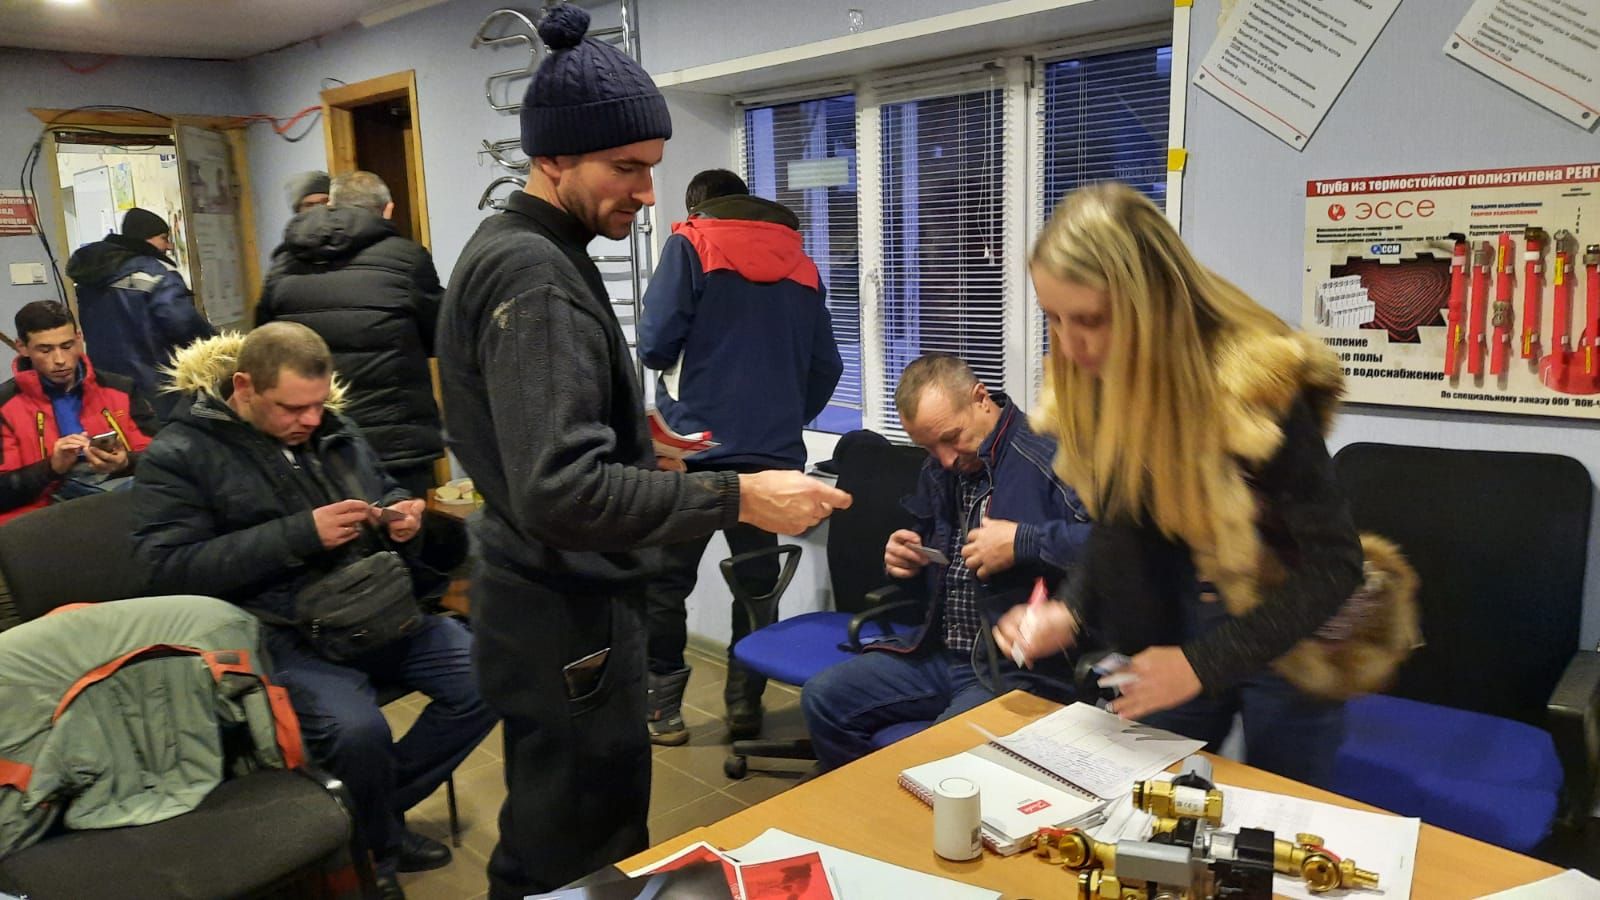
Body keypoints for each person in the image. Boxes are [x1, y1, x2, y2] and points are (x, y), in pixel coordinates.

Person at [435, 5, 851, 896]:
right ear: (554, 157)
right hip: (559, 607)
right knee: (572, 846)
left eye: (652, 168)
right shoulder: (535, 277)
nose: (648, 193)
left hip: (552, 596)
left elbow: (543, 432)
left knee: (577, 828)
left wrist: (638, 440)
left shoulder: (536, 251)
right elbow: (559, 492)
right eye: (625, 168)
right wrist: (738, 496)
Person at [999, 182, 1397, 789]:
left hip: (1285, 623)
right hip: (1174, 616)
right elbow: (1118, 522)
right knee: (1148, 803)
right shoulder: (1095, 380)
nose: (1070, 346)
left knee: (1278, 811)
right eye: (1053, 317)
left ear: (1149, 305)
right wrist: (1072, 609)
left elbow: (1335, 566)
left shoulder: (1253, 386)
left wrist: (1202, 663)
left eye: (1090, 320)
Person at [130, 323, 495, 900]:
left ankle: (362, 825)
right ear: (244, 387)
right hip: (281, 631)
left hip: (373, 608)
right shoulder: (179, 455)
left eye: (319, 404)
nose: (310, 419)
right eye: (292, 408)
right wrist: (301, 534)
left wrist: (401, 519)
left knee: (489, 677)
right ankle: (374, 845)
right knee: (357, 732)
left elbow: (381, 490)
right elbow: (165, 570)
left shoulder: (333, 427)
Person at [800, 354, 1090, 770]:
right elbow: (935, 568)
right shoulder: (939, 469)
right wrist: (906, 563)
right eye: (928, 447)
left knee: (935, 760)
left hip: (1013, 669)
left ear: (980, 399)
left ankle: (903, 799)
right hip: (938, 652)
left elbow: (1110, 549)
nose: (945, 458)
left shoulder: (1049, 456)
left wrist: (1022, 541)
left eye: (952, 438)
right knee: (823, 698)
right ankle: (869, 799)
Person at [637, 168, 843, 745]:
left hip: (693, 451)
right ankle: (745, 706)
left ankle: (664, 710)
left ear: (697, 207)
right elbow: (827, 365)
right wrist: (784, 415)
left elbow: (654, 344)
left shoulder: (690, 245)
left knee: (665, 581)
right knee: (756, 584)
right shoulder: (800, 262)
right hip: (771, 456)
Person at [256, 170, 446, 496]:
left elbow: (265, 342)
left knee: (330, 523)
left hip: (312, 432)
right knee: (403, 521)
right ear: (388, 210)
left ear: (332, 204)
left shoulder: (284, 262)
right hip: (395, 437)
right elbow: (439, 335)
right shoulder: (406, 258)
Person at [0, 300, 154, 523]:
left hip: (116, 490)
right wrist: (51, 468)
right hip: (46, 510)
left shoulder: (120, 388)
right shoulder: (4, 406)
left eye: (67, 346)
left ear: (79, 337)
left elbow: (161, 457)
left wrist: (126, 462)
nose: (60, 360)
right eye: (45, 350)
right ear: (22, 347)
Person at [66, 207, 214, 422]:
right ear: (145, 238)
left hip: (107, 384)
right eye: (164, 238)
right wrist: (219, 346)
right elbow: (183, 324)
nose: (169, 246)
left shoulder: (91, 275)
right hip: (156, 385)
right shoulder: (156, 272)